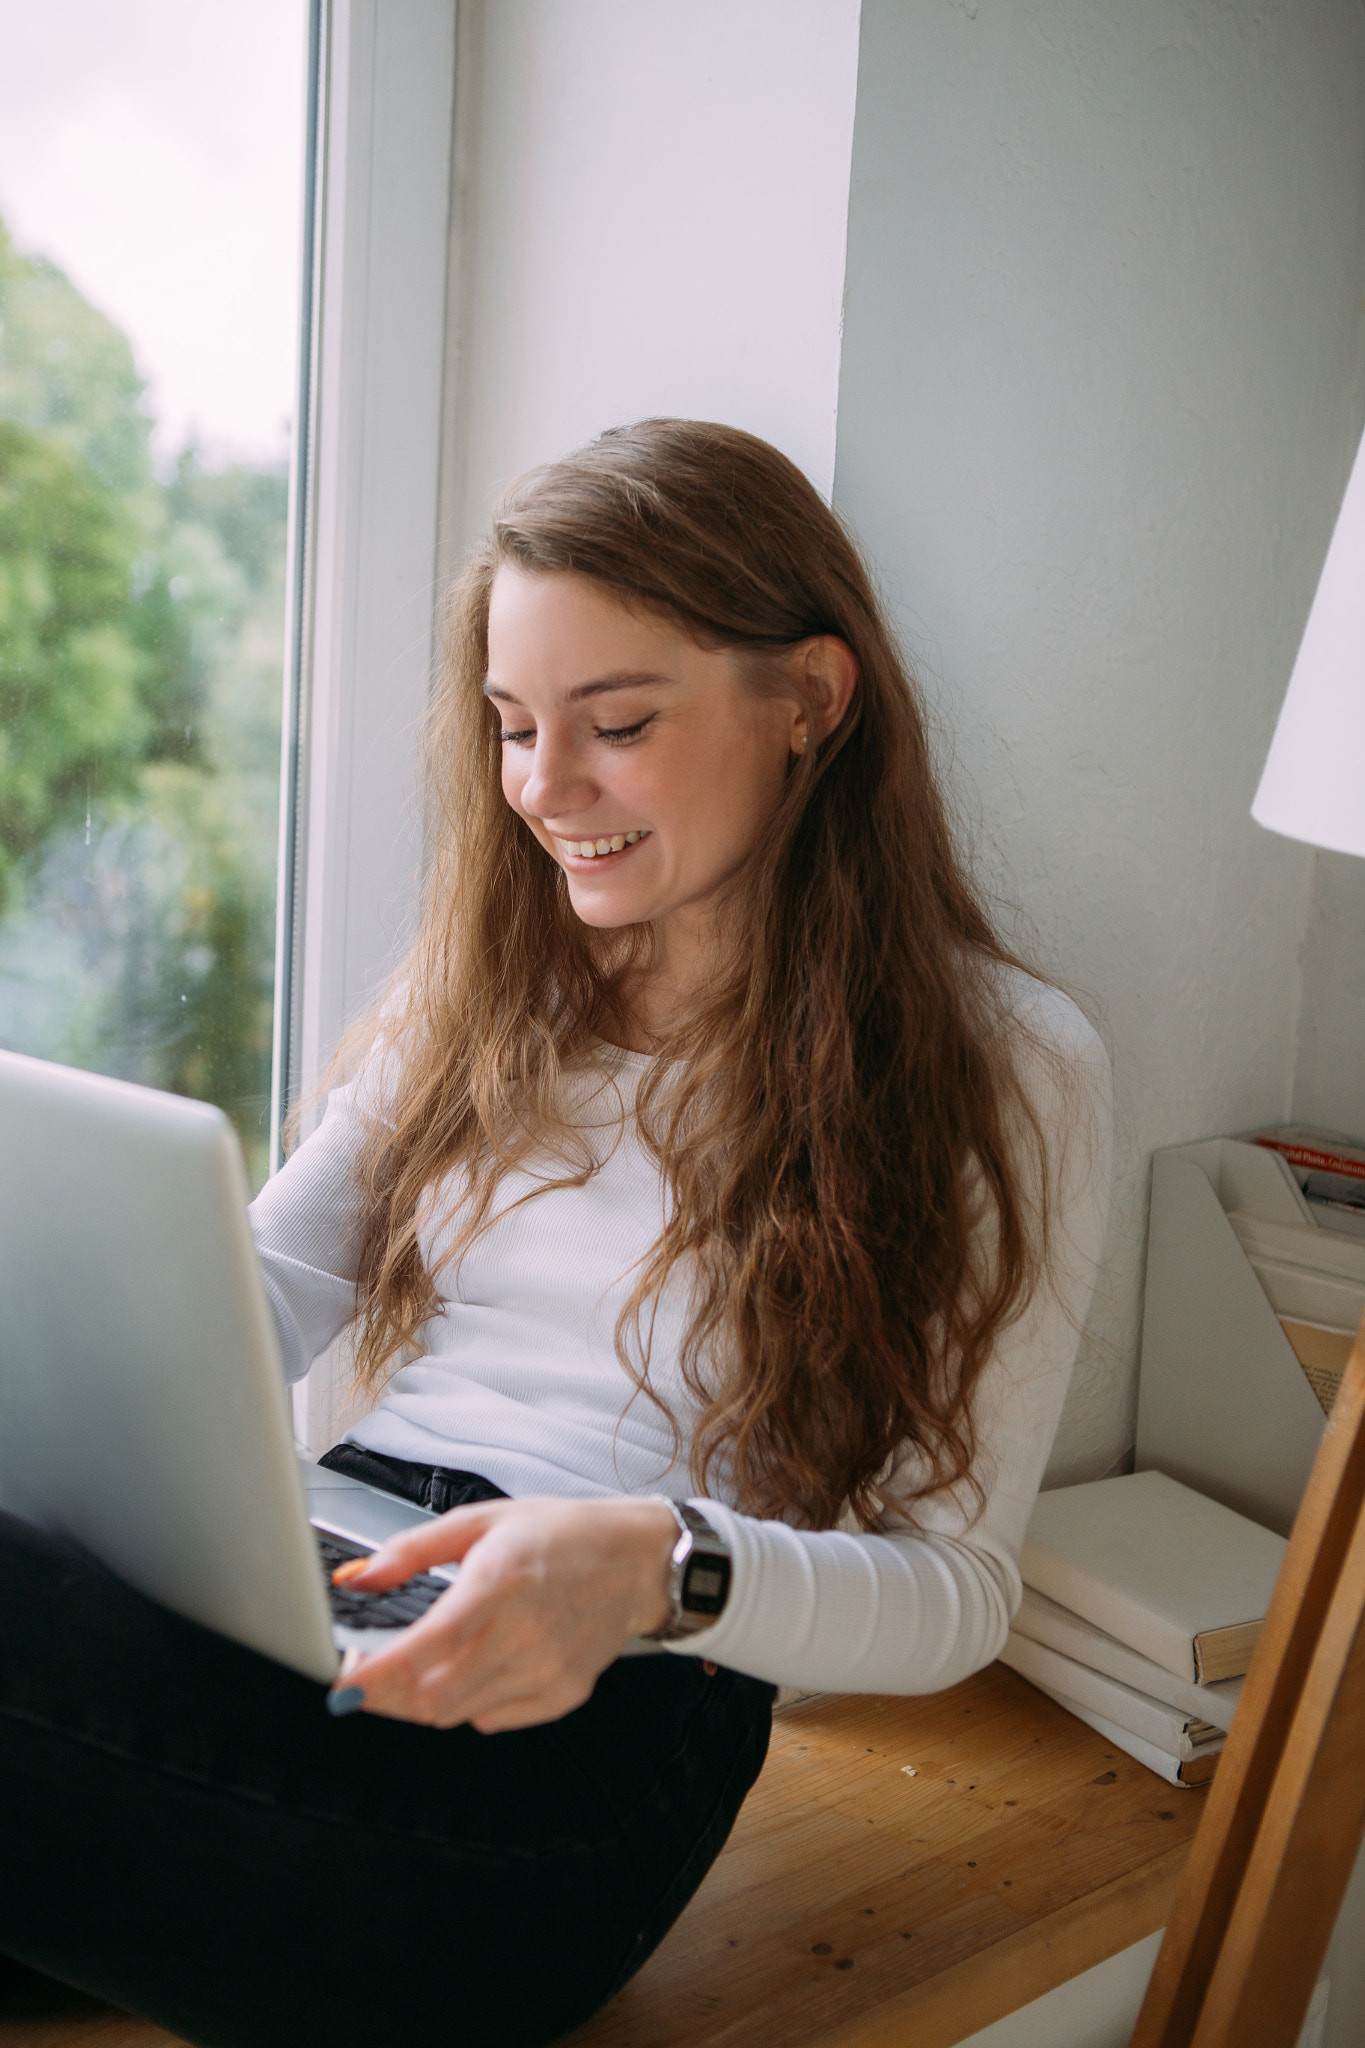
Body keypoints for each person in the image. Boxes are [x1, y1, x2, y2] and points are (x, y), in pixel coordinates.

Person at [0, 420, 1110, 2048]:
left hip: (585, 1750)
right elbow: (270, 1287)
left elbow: (953, 1591)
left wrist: (658, 1568)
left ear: (808, 698)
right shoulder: (486, 994)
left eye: (617, 725)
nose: (541, 789)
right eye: (513, 728)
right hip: (317, 1595)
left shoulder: (1005, 1062)